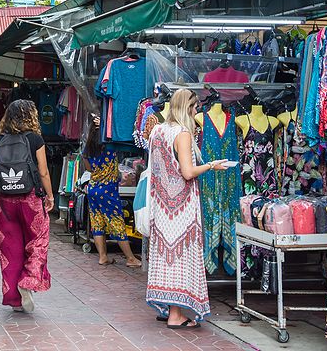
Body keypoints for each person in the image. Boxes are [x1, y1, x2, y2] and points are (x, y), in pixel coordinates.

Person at [146, 88, 228, 328]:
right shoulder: (182, 134)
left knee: (165, 258)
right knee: (180, 258)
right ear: (187, 108)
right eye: (194, 107)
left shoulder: (157, 130)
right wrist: (211, 165)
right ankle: (175, 315)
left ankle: (167, 308)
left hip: (161, 205)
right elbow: (188, 172)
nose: (196, 111)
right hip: (181, 207)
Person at [0, 100, 53, 313]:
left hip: (5, 203)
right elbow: (43, 172)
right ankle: (27, 281)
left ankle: (14, 300)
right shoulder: (35, 139)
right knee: (38, 242)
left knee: (10, 250)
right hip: (31, 199)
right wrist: (50, 195)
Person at [82, 115, 142, 267]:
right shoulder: (109, 146)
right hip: (108, 190)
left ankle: (103, 257)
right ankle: (130, 258)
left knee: (97, 223)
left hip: (93, 188)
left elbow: (88, 168)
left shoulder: (87, 148)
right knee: (117, 223)